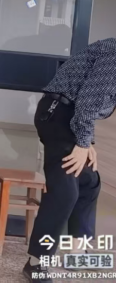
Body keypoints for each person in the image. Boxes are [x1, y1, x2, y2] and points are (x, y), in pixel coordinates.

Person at [23, 38, 116, 282]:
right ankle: (36, 262)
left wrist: (87, 142)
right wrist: (83, 143)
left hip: (68, 116)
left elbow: (91, 99)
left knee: (89, 183)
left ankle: (77, 253)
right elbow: (88, 101)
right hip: (59, 115)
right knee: (64, 192)